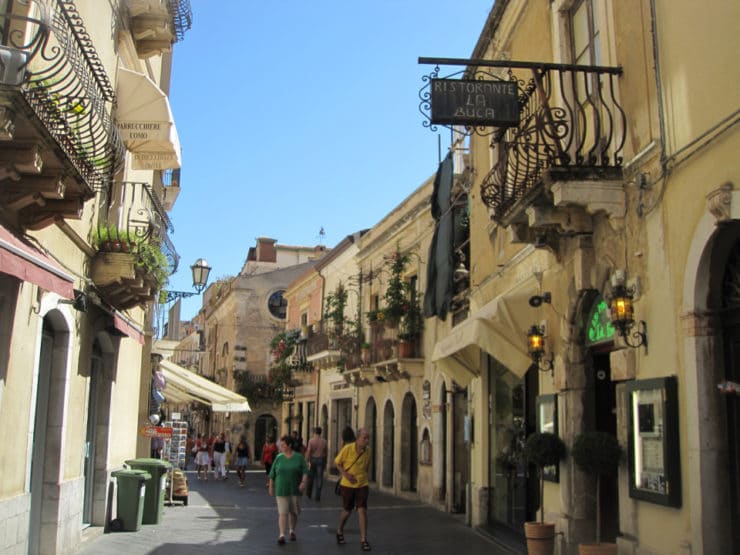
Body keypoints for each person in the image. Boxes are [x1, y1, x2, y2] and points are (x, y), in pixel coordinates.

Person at [335, 428, 372, 552]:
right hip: (347, 485)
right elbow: (337, 463)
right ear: (357, 438)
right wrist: (346, 475)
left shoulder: (368, 452)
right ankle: (340, 529)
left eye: (368, 438)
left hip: (362, 484)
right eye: (364, 438)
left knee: (362, 510)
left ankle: (363, 540)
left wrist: (361, 477)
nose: (367, 441)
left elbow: (366, 467)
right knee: (347, 510)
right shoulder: (347, 449)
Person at [268, 435, 309, 545]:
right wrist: (271, 487)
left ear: (289, 445)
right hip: (281, 489)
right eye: (280, 445)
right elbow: (272, 473)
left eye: (283, 445)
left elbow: (305, 471)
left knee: (294, 512)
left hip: (295, 489)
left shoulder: (299, 457)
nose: (280, 447)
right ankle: (281, 535)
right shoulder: (279, 457)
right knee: (283, 512)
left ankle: (292, 530)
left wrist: (303, 482)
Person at [304, 426, 328, 501]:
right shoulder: (324, 441)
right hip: (321, 459)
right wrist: (325, 460)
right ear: (320, 432)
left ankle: (309, 493)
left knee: (311, 477)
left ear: (314, 432)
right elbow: (326, 451)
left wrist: (306, 460)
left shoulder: (311, 441)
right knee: (319, 478)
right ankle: (318, 495)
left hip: (313, 459)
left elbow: (308, 451)